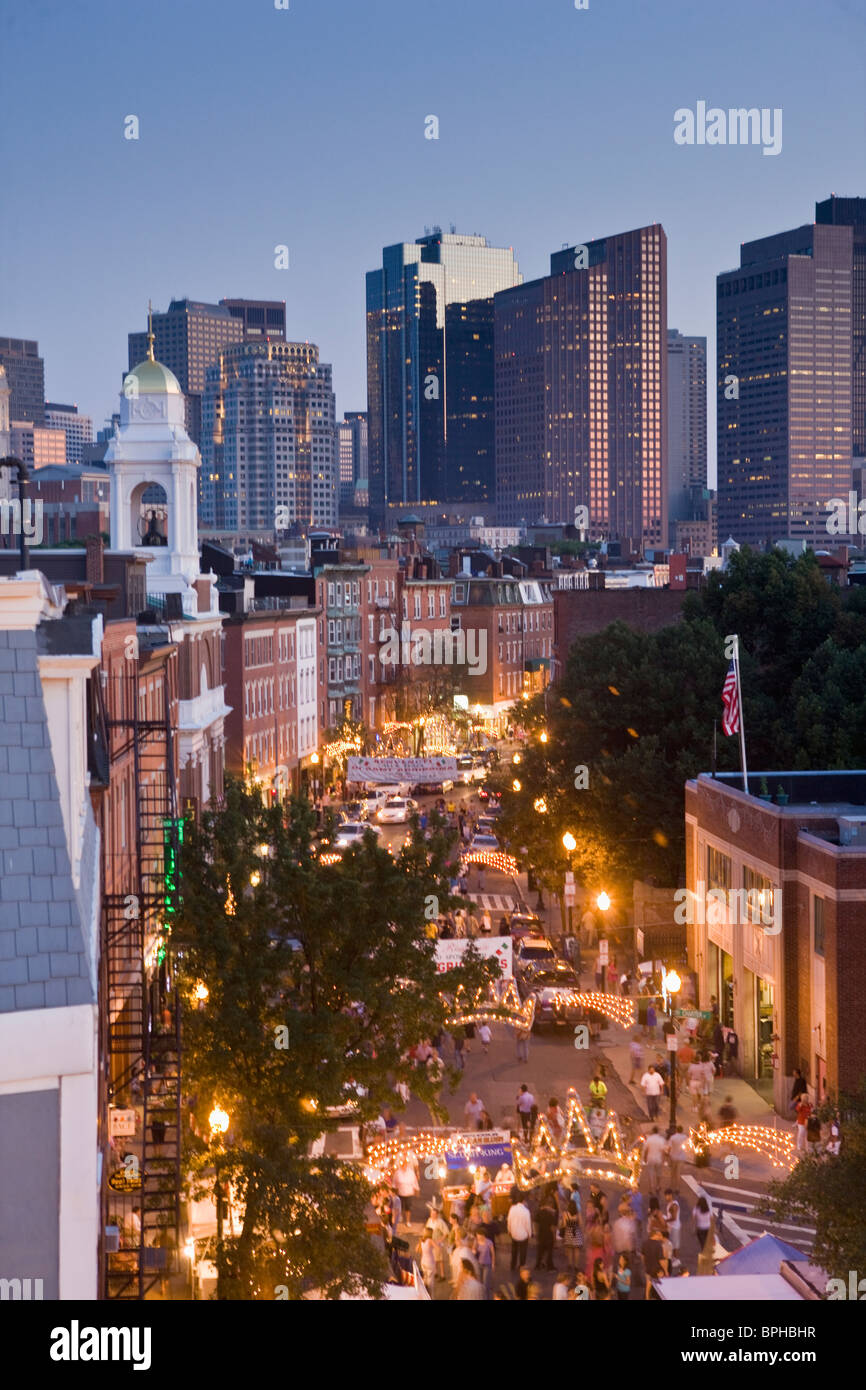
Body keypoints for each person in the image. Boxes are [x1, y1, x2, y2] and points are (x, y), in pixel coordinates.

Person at [534, 1188, 558, 1271]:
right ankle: (549, 1266)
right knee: (549, 1252)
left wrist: (536, 1233)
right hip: (548, 1236)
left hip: (541, 1234)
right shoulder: (550, 1214)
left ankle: (538, 1265)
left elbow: (536, 1223)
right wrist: (555, 1238)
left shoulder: (539, 1213)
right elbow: (552, 1227)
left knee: (540, 1251)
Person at [507, 1194, 532, 1270]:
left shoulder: (512, 1209)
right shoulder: (526, 1211)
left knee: (514, 1250)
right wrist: (529, 1234)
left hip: (514, 1233)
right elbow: (528, 1224)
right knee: (523, 1251)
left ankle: (513, 1265)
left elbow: (509, 1221)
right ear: (524, 1201)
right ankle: (522, 1265)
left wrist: (509, 1230)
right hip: (523, 1234)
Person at [641, 1227, 668, 1298]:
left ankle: (647, 1297)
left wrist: (645, 1265)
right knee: (658, 1287)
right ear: (656, 1235)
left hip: (648, 1269)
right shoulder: (658, 1245)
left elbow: (642, 1257)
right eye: (659, 1235)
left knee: (648, 1287)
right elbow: (661, 1260)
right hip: (657, 1270)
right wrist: (665, 1271)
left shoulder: (645, 1243)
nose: (660, 1237)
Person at [642, 1126, 667, 1195]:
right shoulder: (661, 1140)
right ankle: (658, 1186)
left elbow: (646, 1149)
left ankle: (651, 1188)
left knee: (651, 1173)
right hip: (658, 1158)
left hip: (650, 1158)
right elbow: (663, 1151)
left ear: (652, 1131)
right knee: (659, 1173)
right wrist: (663, 1159)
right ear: (658, 1131)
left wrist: (644, 1157)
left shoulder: (649, 1139)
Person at [667, 1125, 689, 1194]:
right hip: (681, 1158)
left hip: (673, 1157)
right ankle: (677, 1188)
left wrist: (668, 1154)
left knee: (672, 1173)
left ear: (676, 1130)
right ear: (682, 1130)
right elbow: (687, 1146)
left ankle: (671, 1187)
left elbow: (669, 1147)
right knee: (678, 1173)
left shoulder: (673, 1137)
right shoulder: (685, 1137)